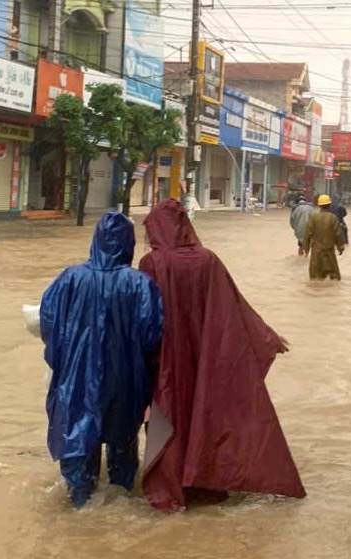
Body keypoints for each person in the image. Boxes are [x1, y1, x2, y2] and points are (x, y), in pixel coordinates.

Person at [139, 199, 306, 512]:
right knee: (206, 415)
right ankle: (206, 484)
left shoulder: (153, 263)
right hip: (207, 359)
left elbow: (146, 317)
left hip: (168, 358)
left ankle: (173, 489)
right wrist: (268, 337)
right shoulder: (208, 260)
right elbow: (233, 307)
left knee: (170, 411)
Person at [40, 212, 164, 507]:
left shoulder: (70, 278)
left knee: (78, 437)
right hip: (125, 377)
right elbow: (152, 333)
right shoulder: (139, 284)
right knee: (122, 441)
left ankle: (80, 502)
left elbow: (47, 321)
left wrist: (66, 354)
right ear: (129, 244)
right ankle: (120, 495)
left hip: (77, 377)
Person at [303, 194, 345, 280]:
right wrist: (340, 247)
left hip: (316, 254)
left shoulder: (313, 218)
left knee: (315, 279)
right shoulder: (332, 218)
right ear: (329, 205)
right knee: (334, 279)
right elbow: (338, 234)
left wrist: (306, 249)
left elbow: (307, 234)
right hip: (329, 253)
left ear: (319, 205)